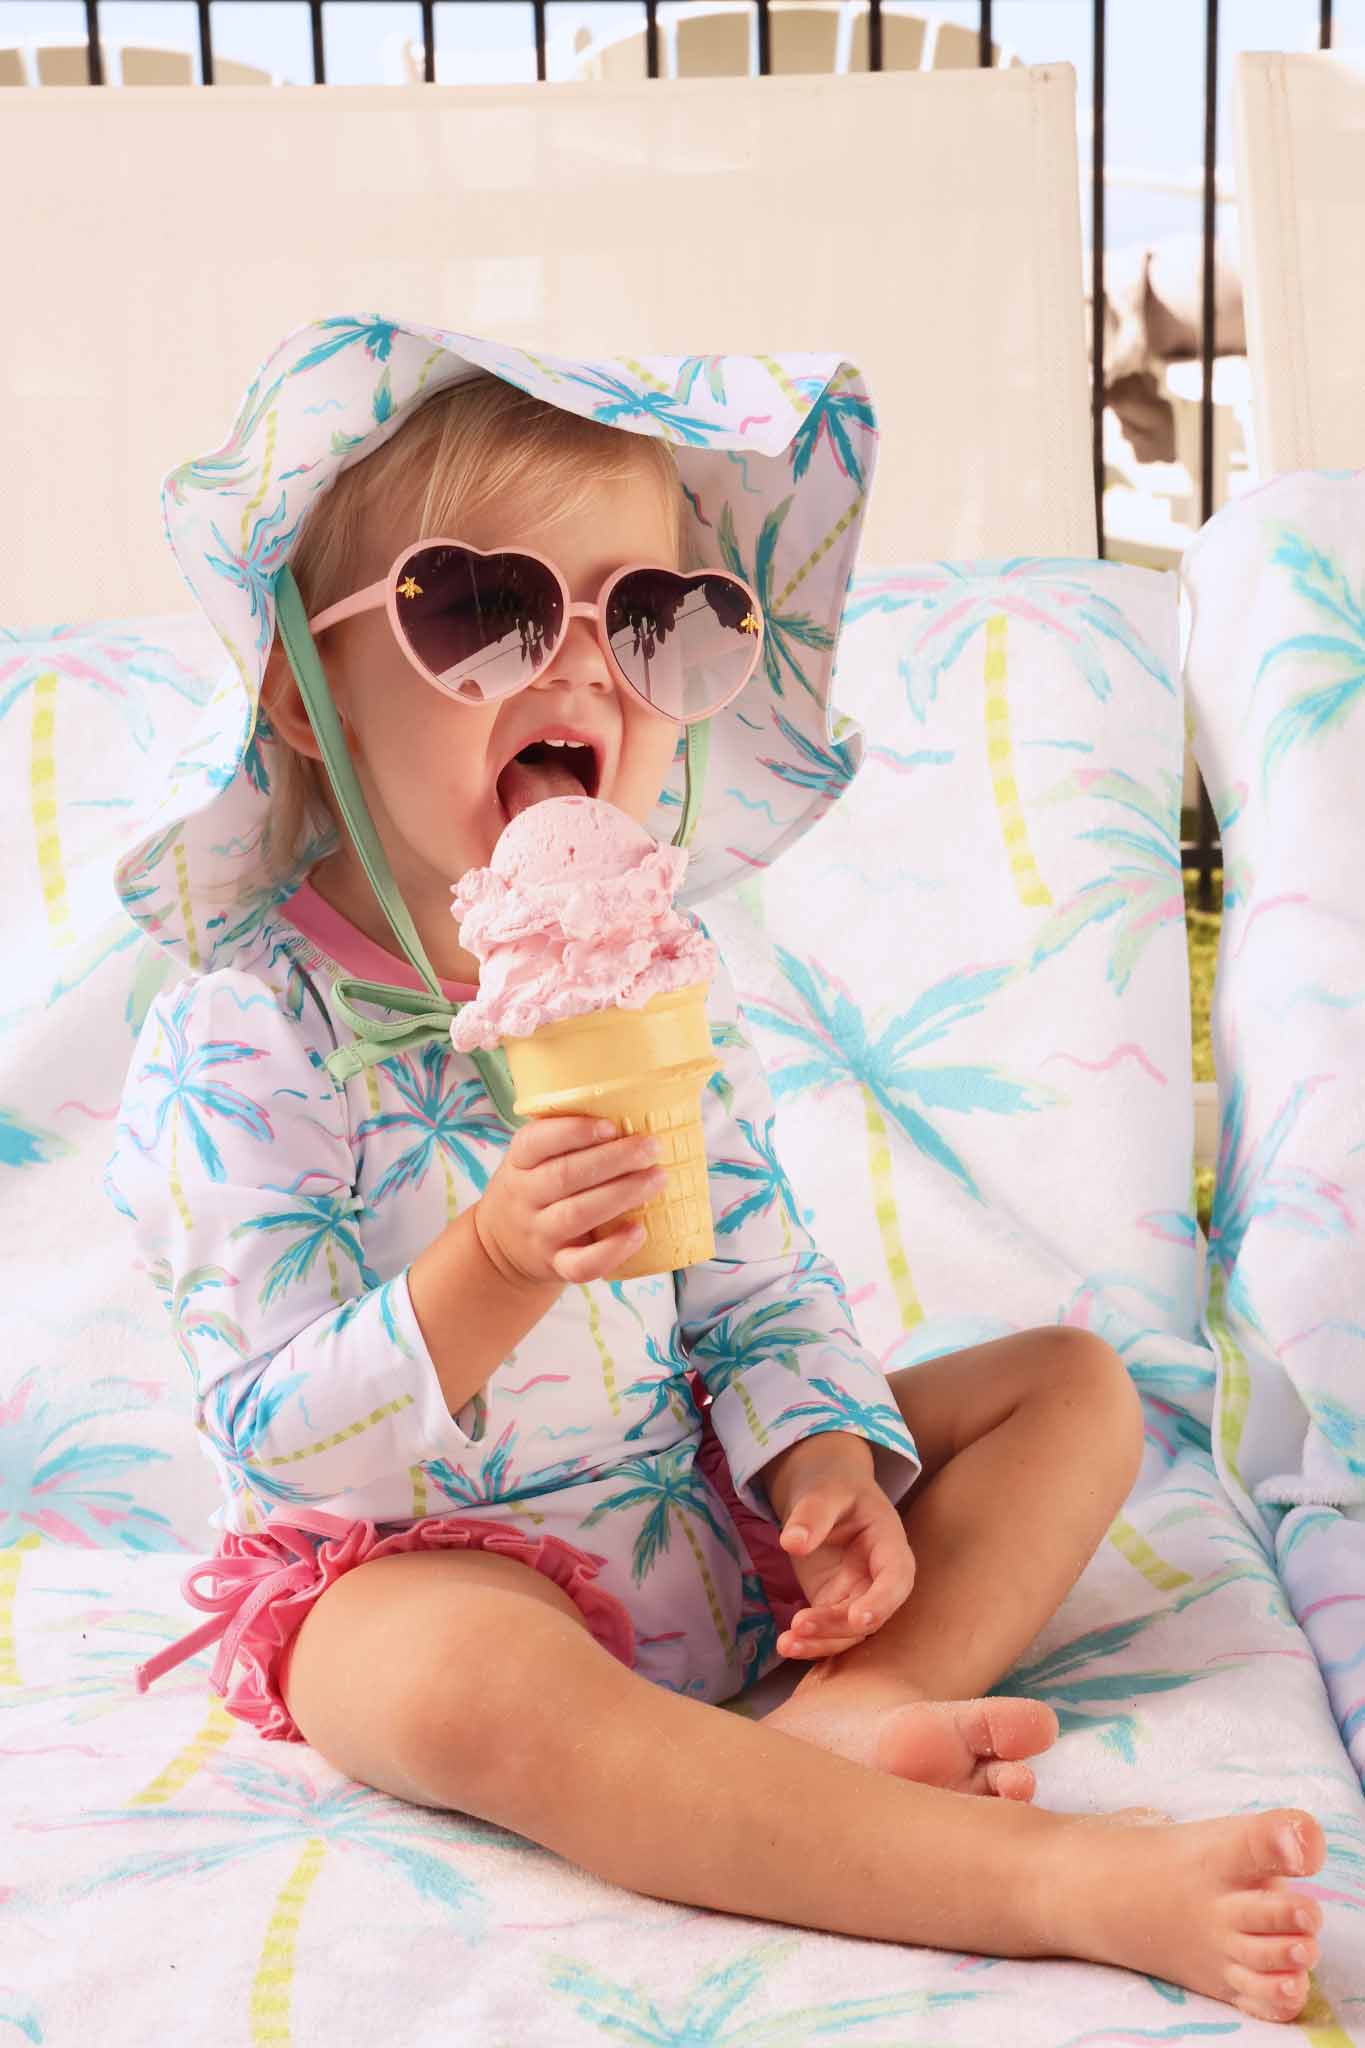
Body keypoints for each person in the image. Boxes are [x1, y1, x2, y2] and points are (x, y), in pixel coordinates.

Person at [105, 315, 1323, 2021]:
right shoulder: (253, 1036)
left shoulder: (662, 987)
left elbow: (754, 1287)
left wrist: (818, 1458)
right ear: (303, 698)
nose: (579, 674)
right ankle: (1046, 1882)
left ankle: (850, 1711)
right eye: (481, 611)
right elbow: (277, 1433)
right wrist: (490, 1267)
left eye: (650, 619)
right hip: (416, 1562)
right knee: (448, 1676)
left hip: (684, 1514)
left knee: (1072, 1389)